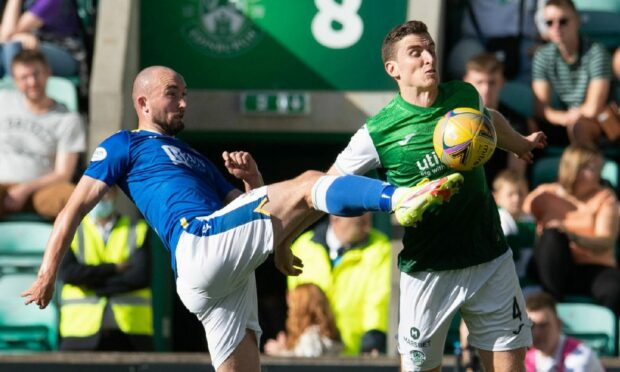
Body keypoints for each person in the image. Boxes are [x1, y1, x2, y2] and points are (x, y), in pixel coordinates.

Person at [21, 65, 466, 372]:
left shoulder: (196, 159)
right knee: (312, 180)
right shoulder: (124, 144)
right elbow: (74, 208)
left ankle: (394, 198)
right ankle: (399, 199)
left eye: (185, 95)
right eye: (171, 94)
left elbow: (260, 213)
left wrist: (255, 182)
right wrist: (47, 274)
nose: (182, 103)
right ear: (142, 101)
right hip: (198, 244)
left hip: (218, 268)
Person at [325, 20, 547, 371]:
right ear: (393, 69)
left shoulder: (463, 95)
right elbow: (330, 186)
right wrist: (287, 238)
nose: (429, 58)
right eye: (416, 52)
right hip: (428, 272)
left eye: (430, 49)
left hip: (489, 258)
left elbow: (486, 120)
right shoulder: (378, 132)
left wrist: (520, 143)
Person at [523, 144, 620, 314]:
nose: (598, 173)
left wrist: (572, 236)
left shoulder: (605, 197)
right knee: (552, 235)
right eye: (591, 168)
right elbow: (519, 217)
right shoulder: (546, 194)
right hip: (553, 268)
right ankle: (550, 309)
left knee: (615, 290)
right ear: (574, 168)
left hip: (593, 267)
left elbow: (605, 241)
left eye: (599, 168)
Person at [58, 187, 153, 351]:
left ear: (116, 193)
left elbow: (140, 277)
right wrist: (114, 268)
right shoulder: (71, 229)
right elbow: (68, 273)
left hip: (131, 333)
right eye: (93, 191)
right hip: (79, 333)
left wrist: (90, 282)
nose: (100, 198)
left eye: (105, 191)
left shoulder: (137, 229)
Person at [287, 213, 391, 355]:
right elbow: (296, 305)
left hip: (357, 355)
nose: (367, 218)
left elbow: (378, 300)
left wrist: (373, 339)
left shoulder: (380, 247)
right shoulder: (302, 247)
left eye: (369, 210)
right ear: (336, 216)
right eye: (359, 212)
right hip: (311, 352)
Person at [0, 48, 85, 219]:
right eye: (24, 77)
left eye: (36, 74)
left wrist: (25, 188)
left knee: (75, 201)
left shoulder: (68, 119)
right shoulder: (3, 101)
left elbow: (63, 174)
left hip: (43, 189)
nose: (32, 82)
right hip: (2, 186)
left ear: (48, 73)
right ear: (15, 81)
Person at [531, 0, 613, 146]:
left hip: (596, 123)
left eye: (563, 21)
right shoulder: (542, 56)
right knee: (525, 127)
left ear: (577, 21)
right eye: (549, 22)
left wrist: (569, 118)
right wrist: (565, 118)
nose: (556, 27)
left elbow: (593, 108)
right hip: (564, 121)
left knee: (579, 128)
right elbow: (541, 108)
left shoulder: (596, 53)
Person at [463, 53, 531, 185]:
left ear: (502, 82)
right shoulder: (452, 118)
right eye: (479, 82)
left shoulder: (516, 122)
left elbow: (515, 176)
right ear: (466, 82)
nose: (486, 89)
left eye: (491, 82)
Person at [447, 0, 544, 81]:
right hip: (478, 41)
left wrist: (547, 43)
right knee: (462, 60)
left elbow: (551, 11)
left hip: (520, 43)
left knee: (544, 59)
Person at [0, 0, 85, 80]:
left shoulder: (51, 2)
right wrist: (20, 36)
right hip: (36, 44)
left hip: (66, 54)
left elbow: (7, 34)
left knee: (13, 47)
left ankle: (14, 91)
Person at [525, 291, 605, 372]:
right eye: (531, 326)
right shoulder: (527, 357)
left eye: (543, 326)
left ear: (558, 324)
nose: (536, 333)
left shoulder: (579, 360)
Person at [263, 283, 343, 357]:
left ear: (301, 310)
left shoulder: (311, 338)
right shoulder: (321, 335)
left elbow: (307, 366)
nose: (288, 312)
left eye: (291, 308)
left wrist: (280, 353)